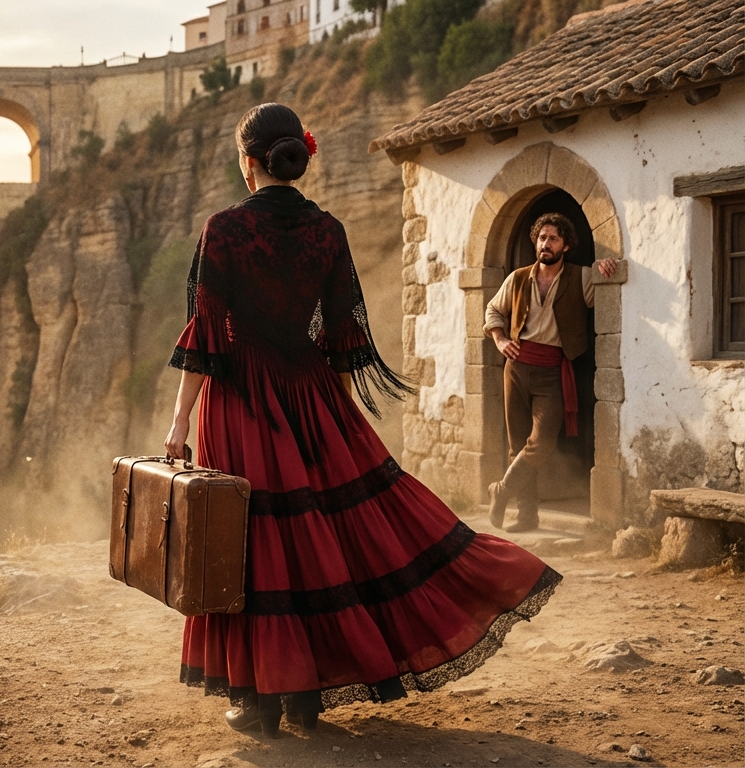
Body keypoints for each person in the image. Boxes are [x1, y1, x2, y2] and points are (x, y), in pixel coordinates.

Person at [163, 103, 561, 737]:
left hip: (240, 400)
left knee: (251, 544)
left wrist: (179, 423)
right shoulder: (328, 231)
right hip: (314, 394)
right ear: (297, 158)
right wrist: (334, 417)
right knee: (324, 538)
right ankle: (306, 697)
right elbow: (345, 336)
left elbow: (206, 337)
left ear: (248, 163)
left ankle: (260, 702)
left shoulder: (224, 230)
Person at [484, 215, 616, 532]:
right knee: (517, 444)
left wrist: (607, 268)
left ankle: (501, 490)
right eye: (542, 237)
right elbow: (492, 310)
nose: (546, 243)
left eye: (554, 238)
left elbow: (603, 286)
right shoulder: (517, 278)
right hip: (515, 368)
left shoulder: (580, 277)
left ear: (566, 245)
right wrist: (501, 340)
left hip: (553, 371)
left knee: (540, 441)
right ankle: (527, 515)